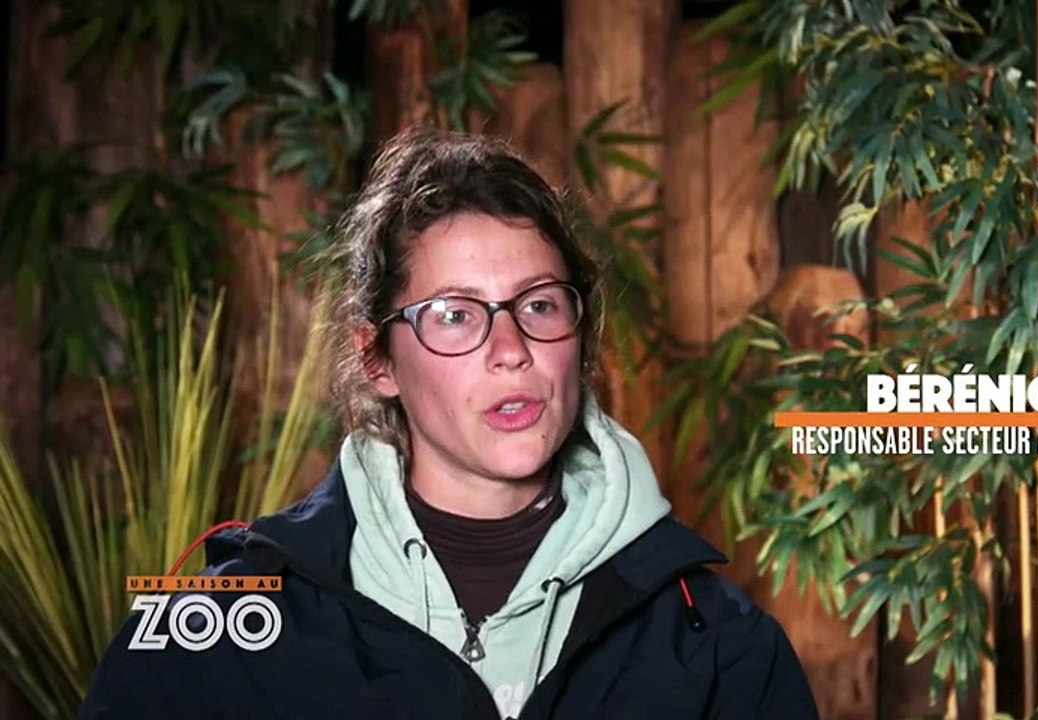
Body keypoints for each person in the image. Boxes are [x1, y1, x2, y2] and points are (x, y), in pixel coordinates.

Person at [79, 129, 818, 719]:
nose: (510, 350)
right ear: (379, 360)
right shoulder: (224, 629)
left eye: (538, 304)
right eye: (455, 315)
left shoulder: (717, 644)